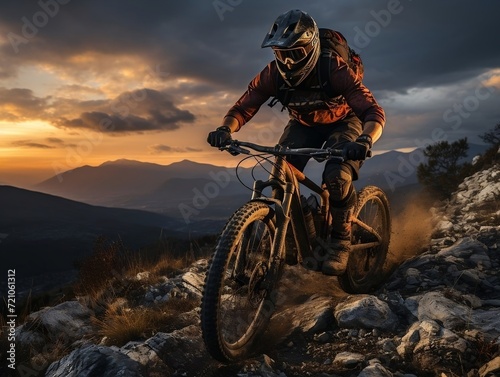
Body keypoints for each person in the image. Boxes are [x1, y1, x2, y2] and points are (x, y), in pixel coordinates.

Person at [207, 9, 386, 276]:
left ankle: (341, 239)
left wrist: (365, 139)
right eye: (281, 54)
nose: (288, 62)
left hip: (344, 121)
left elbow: (373, 112)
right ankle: (299, 231)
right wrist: (225, 129)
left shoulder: (333, 68)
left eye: (296, 53)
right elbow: (243, 107)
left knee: (337, 176)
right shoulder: (272, 75)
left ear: (312, 49)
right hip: (303, 124)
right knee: (280, 176)